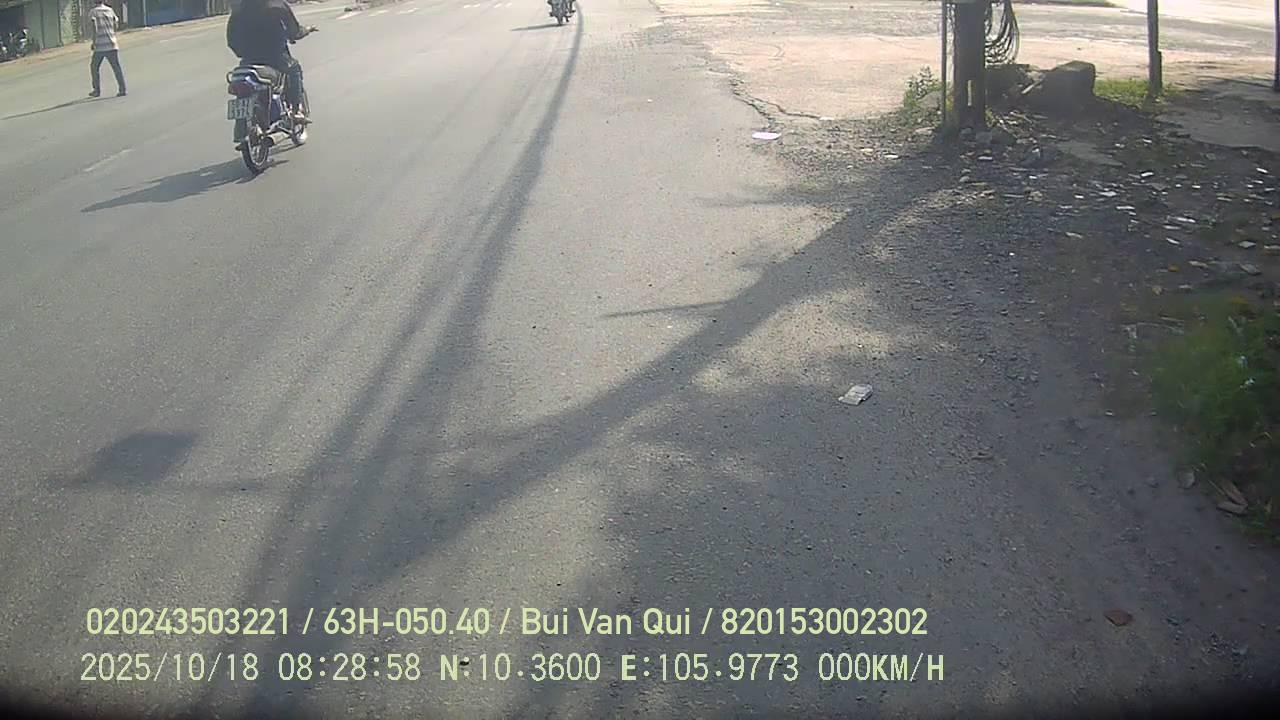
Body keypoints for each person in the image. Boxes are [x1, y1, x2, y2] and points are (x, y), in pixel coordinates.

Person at [226, 0, 316, 121]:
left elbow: (231, 39)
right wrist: (307, 30)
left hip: (248, 60)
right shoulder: (278, 5)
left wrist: (241, 53)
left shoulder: (238, 9)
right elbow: (294, 32)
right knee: (294, 69)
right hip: (276, 57)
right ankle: (296, 110)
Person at [88, 0, 126, 98]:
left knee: (94, 67)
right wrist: (111, 33)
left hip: (100, 45)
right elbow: (116, 24)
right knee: (116, 67)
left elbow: (94, 27)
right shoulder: (110, 10)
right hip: (112, 43)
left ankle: (97, 90)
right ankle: (122, 89)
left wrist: (94, 42)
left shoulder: (93, 12)